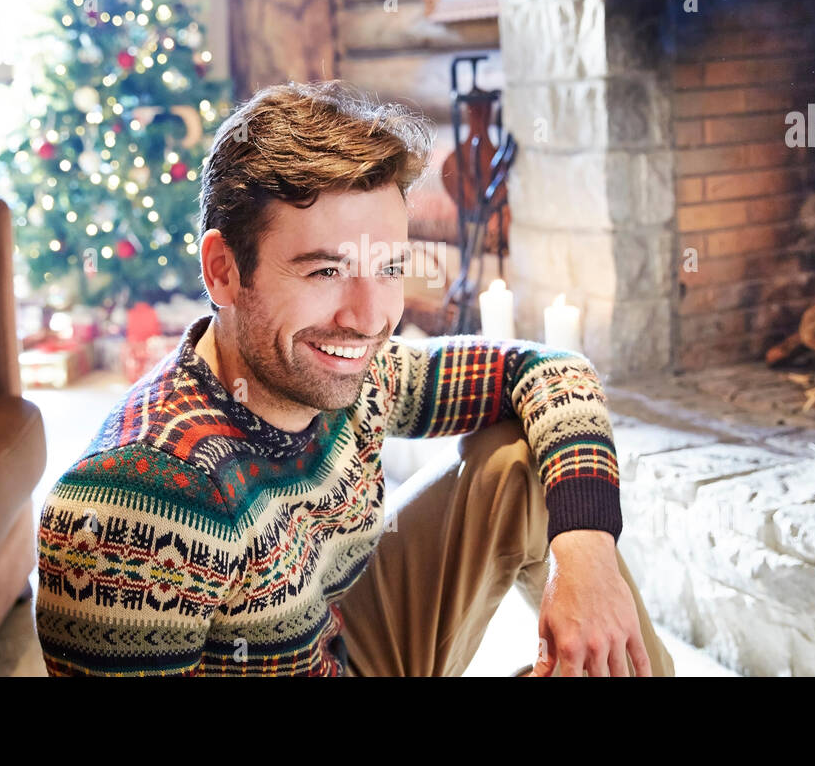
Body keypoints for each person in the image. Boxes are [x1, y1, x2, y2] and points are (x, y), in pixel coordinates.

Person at [35, 79, 675, 677]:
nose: (371, 320)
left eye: (389, 267)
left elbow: (546, 369)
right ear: (223, 270)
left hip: (342, 641)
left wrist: (588, 552)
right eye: (324, 272)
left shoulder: (351, 374)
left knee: (524, 463)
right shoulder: (136, 508)